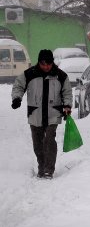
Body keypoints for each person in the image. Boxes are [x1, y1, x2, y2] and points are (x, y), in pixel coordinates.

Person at [11, 49, 72, 179]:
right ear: (39, 62)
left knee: (49, 140)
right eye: (43, 64)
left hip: (53, 113)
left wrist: (67, 106)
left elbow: (67, 92)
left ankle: (48, 170)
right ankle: (41, 166)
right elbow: (18, 86)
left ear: (52, 63)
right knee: (38, 144)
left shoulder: (61, 76)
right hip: (35, 113)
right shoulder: (29, 74)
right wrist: (17, 98)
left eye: (48, 64)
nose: (46, 67)